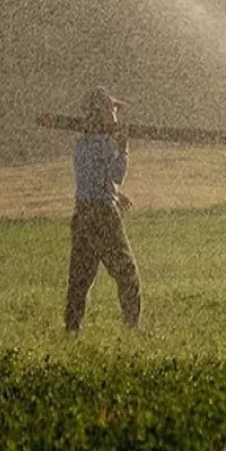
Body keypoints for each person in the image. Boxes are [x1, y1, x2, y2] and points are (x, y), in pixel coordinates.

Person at [64, 87, 141, 333]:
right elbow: (116, 174)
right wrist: (124, 149)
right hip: (103, 216)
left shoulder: (81, 144)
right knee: (126, 271)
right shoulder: (107, 145)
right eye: (112, 109)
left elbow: (92, 181)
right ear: (100, 113)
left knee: (81, 276)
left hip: (82, 213)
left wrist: (116, 194)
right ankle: (132, 326)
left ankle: (72, 328)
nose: (116, 114)